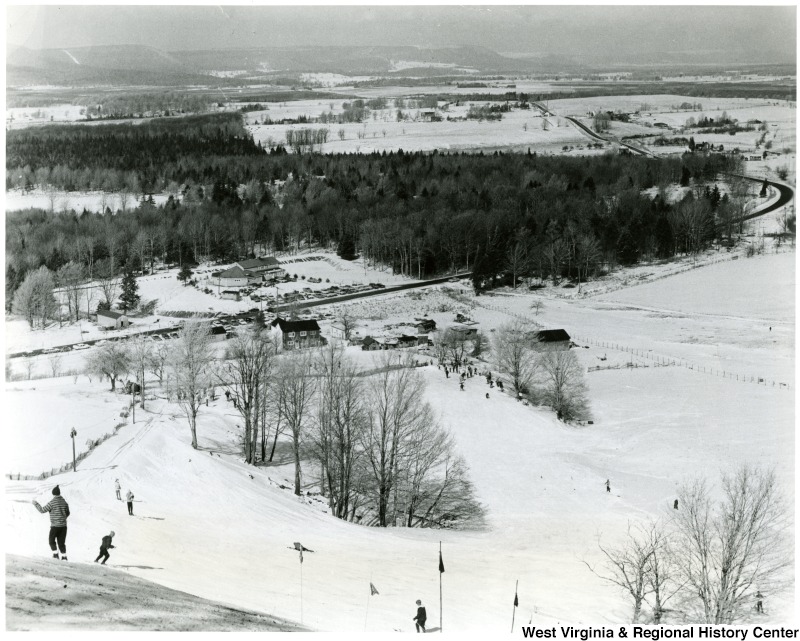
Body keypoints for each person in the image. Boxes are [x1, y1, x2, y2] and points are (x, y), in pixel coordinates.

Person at [32, 485, 70, 561]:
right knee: (61, 542)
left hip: (55, 526)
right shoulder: (64, 502)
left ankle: (55, 555)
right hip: (63, 526)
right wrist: (62, 518)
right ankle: (64, 557)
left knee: (51, 540)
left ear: (53, 494)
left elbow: (42, 510)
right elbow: (68, 513)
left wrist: (35, 504)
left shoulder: (52, 502)